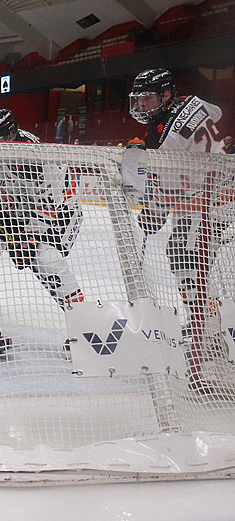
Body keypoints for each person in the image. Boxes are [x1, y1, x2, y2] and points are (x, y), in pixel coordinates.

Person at [127, 68, 227, 396]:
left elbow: (163, 198)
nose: (142, 105)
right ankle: (209, 324)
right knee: (191, 257)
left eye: (149, 98)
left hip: (210, 202)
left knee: (183, 254)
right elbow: (217, 112)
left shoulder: (165, 139)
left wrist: (150, 216)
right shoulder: (193, 102)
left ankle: (209, 336)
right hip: (219, 190)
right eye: (139, 98)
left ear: (167, 95)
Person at [0, 109, 85, 307]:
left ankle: (82, 318)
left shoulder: (37, 160)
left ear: (11, 135)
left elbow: (53, 201)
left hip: (59, 213)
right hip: (12, 204)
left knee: (46, 262)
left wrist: (30, 236)